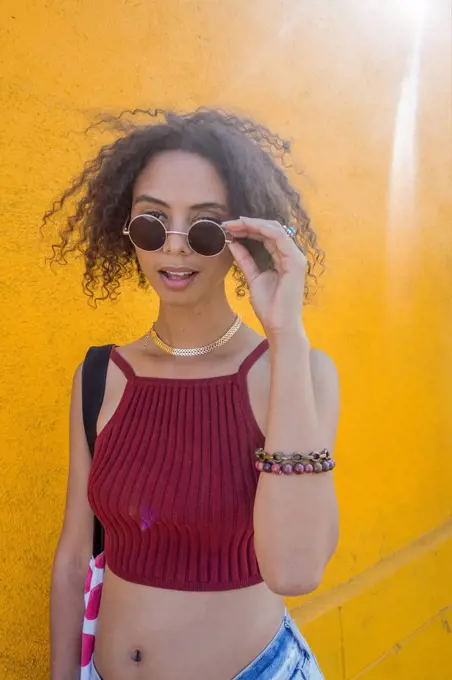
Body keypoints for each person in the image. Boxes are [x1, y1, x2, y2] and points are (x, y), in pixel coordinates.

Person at [47, 109, 340, 680]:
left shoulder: (296, 369)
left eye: (206, 228)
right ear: (125, 230)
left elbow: (296, 570)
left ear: (243, 238)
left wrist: (284, 332)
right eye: (153, 223)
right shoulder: (99, 374)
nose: (175, 248)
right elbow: (72, 558)